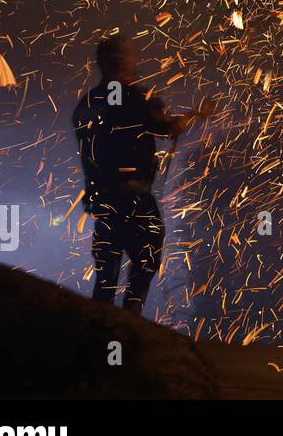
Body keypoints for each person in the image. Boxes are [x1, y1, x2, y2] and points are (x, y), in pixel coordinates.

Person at [72, 34, 216, 316]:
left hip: (103, 201)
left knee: (106, 273)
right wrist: (198, 114)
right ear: (117, 62)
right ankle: (130, 319)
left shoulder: (88, 104)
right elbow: (168, 128)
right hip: (134, 199)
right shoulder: (134, 98)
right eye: (128, 55)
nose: (133, 60)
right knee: (147, 257)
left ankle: (101, 330)